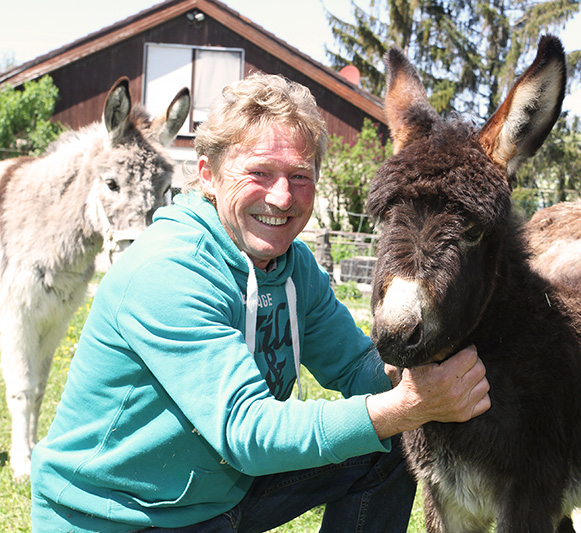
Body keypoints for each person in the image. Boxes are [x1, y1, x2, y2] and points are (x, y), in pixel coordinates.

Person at [29, 72, 490, 532]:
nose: (282, 196)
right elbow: (246, 431)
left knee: (385, 447)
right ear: (208, 175)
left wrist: (428, 370)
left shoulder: (295, 267)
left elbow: (357, 369)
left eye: (300, 176)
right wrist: (410, 406)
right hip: (117, 515)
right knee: (391, 422)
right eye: (259, 173)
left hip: (219, 500)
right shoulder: (168, 270)